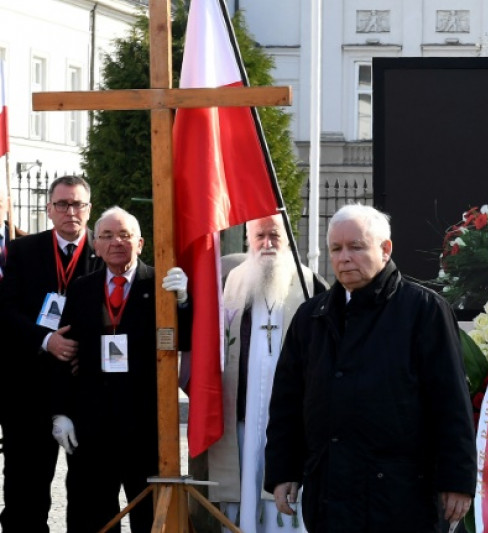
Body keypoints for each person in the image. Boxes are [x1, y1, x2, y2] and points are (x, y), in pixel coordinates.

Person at [264, 204, 476, 533]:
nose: (344, 257)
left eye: (356, 246)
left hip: (401, 497)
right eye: (336, 248)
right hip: (329, 494)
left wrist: (457, 480)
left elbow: (451, 402)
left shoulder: (424, 311)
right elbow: (287, 403)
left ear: (385, 248)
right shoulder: (311, 317)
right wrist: (283, 471)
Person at [48, 206, 192, 533]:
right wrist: (61, 413)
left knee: (150, 517)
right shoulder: (82, 289)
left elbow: (187, 337)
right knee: (92, 517)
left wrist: (183, 300)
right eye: (107, 236)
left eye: (125, 235)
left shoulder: (161, 284)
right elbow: (64, 349)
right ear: (95, 245)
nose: (116, 242)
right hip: (93, 429)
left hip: (147, 429)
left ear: (140, 243)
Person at [204, 214, 328, 532]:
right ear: (249, 240)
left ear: (287, 238)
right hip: (243, 414)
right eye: (260, 236)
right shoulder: (232, 283)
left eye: (274, 235)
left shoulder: (309, 284)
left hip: (292, 415)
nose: (267, 243)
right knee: (243, 484)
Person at [0, 175, 103, 532]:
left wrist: (83, 352)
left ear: (89, 209)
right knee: (24, 498)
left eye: (77, 204)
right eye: (62, 204)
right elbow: (6, 310)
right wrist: (46, 340)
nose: (70, 211)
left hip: (86, 393)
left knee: (91, 498)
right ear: (49, 209)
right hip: (29, 392)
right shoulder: (23, 251)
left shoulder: (106, 250)